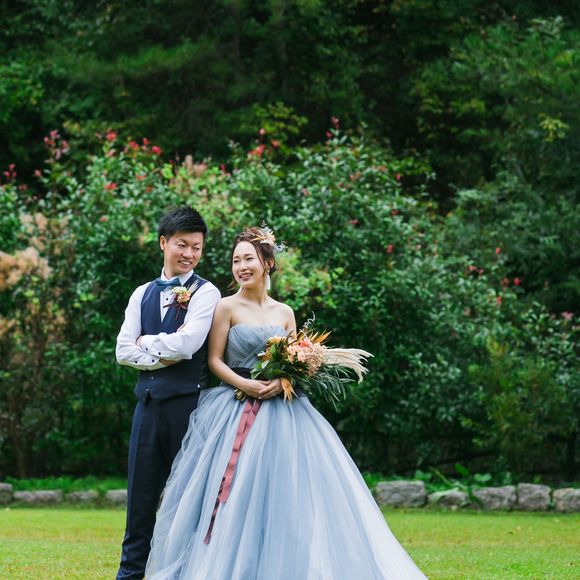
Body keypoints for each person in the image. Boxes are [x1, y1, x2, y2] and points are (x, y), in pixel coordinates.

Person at [146, 225, 426, 579]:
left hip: (284, 412)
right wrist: (246, 384)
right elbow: (215, 360)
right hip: (234, 406)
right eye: (236, 260)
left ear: (267, 263)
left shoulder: (285, 312)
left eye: (249, 259)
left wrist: (282, 381)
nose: (241, 267)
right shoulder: (225, 307)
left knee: (289, 491)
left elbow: (297, 360)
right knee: (236, 492)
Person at [115, 206, 221, 580]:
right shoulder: (141, 293)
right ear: (164, 243)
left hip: (188, 408)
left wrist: (146, 343)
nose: (189, 254)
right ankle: (129, 575)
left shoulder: (207, 292)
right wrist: (162, 349)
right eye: (182, 244)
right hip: (146, 408)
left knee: (188, 501)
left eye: (196, 247)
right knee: (139, 501)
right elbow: (122, 351)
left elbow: (188, 345)